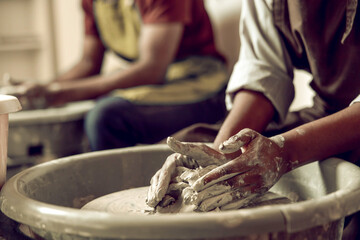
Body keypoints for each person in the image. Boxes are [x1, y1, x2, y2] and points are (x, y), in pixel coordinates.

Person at [147, 0, 360, 238]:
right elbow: (265, 69)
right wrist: (221, 156)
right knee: (194, 145)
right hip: (327, 110)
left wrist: (285, 152)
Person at [2, 0, 228, 151]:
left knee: (106, 117)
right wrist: (39, 89)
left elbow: (152, 69)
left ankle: (120, 209)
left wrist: (58, 93)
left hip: (201, 85)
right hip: (156, 84)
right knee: (77, 110)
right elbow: (89, 63)